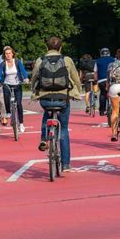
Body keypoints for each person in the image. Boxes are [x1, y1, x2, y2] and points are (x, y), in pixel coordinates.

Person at [31, 36, 82, 171]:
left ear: (47, 48)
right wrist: (78, 91)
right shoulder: (67, 60)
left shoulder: (40, 60)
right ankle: (65, 164)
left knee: (47, 112)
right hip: (63, 98)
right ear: (60, 48)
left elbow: (34, 77)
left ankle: (43, 138)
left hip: (45, 98)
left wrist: (33, 90)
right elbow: (75, 78)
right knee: (63, 129)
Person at [0, 46, 30, 133]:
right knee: (6, 100)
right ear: (4, 55)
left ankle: (21, 123)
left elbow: (23, 71)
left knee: (19, 104)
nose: (8, 55)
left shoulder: (18, 62)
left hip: (17, 84)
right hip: (7, 84)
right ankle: (8, 112)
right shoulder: (3, 64)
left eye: (9, 53)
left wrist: (26, 79)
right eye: (6, 54)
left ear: (12, 54)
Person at [94, 48, 115, 116]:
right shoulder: (113, 59)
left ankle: (102, 111)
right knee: (113, 93)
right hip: (112, 80)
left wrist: (95, 80)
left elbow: (95, 72)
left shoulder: (97, 61)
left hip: (101, 80)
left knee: (103, 94)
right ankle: (114, 108)